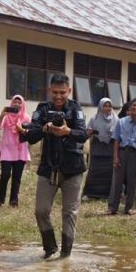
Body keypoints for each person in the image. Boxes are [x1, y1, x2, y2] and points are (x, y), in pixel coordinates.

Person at [20, 73, 88, 258]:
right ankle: (50, 248)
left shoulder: (75, 109)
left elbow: (83, 134)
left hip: (73, 168)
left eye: (62, 93)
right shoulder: (42, 109)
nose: (58, 97)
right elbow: (31, 135)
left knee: (70, 213)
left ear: (69, 91)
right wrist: (44, 128)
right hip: (48, 168)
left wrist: (67, 131)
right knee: (41, 210)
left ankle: (66, 254)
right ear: (49, 90)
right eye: (55, 92)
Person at [108, 98, 136, 215]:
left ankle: (128, 208)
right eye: (134, 105)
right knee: (117, 181)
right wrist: (115, 157)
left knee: (132, 182)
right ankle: (112, 207)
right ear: (130, 107)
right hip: (122, 153)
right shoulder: (121, 122)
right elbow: (116, 141)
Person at [0, 94, 31, 207]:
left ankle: (14, 201)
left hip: (20, 151)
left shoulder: (26, 118)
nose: (17, 104)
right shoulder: (6, 117)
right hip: (7, 150)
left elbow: (31, 134)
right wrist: (1, 115)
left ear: (23, 105)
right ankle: (0, 199)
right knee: (5, 175)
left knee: (17, 176)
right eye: (15, 102)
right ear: (11, 103)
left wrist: (22, 130)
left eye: (19, 102)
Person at [83, 98, 118, 200]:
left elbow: (118, 135)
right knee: (94, 171)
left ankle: (107, 194)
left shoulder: (116, 119)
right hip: (97, 148)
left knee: (109, 172)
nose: (107, 108)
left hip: (110, 149)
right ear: (100, 107)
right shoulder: (94, 119)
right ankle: (90, 193)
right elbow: (87, 133)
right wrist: (89, 132)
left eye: (109, 106)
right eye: (105, 106)